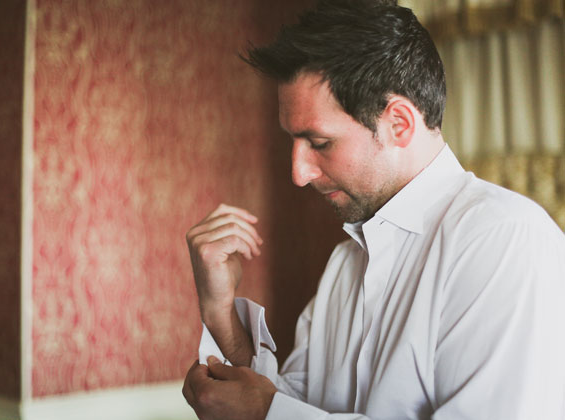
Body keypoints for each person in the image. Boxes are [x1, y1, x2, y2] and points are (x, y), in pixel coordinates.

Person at [182, 0, 565, 419]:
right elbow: (290, 403)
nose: (299, 173)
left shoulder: (506, 242)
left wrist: (268, 415)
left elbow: (275, 413)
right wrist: (221, 312)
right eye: (293, 142)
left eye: (320, 143)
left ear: (399, 123)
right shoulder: (346, 262)